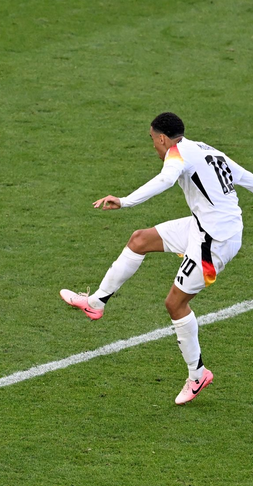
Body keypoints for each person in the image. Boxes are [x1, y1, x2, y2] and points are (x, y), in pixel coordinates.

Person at [60, 112, 253, 405]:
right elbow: (246, 179)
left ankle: (197, 375)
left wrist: (125, 201)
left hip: (214, 242)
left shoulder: (177, 154)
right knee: (140, 239)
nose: (153, 147)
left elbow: (165, 180)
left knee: (175, 304)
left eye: (152, 140)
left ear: (162, 138)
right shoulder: (206, 150)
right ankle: (96, 302)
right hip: (203, 227)